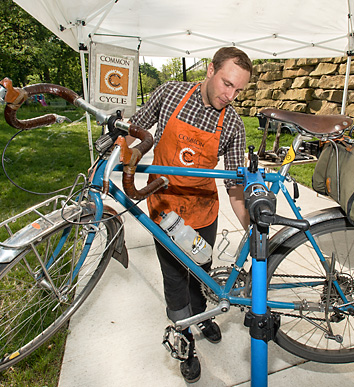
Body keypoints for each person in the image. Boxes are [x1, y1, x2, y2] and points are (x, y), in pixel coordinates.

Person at [129, 47, 252, 383]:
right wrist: (115, 151)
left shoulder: (234, 126)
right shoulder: (170, 93)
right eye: (227, 84)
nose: (230, 96)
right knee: (174, 281)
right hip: (165, 209)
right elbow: (136, 128)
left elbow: (236, 187)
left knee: (202, 272)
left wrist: (253, 232)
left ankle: (203, 315)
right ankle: (185, 341)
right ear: (210, 69)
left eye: (238, 90)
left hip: (202, 211)